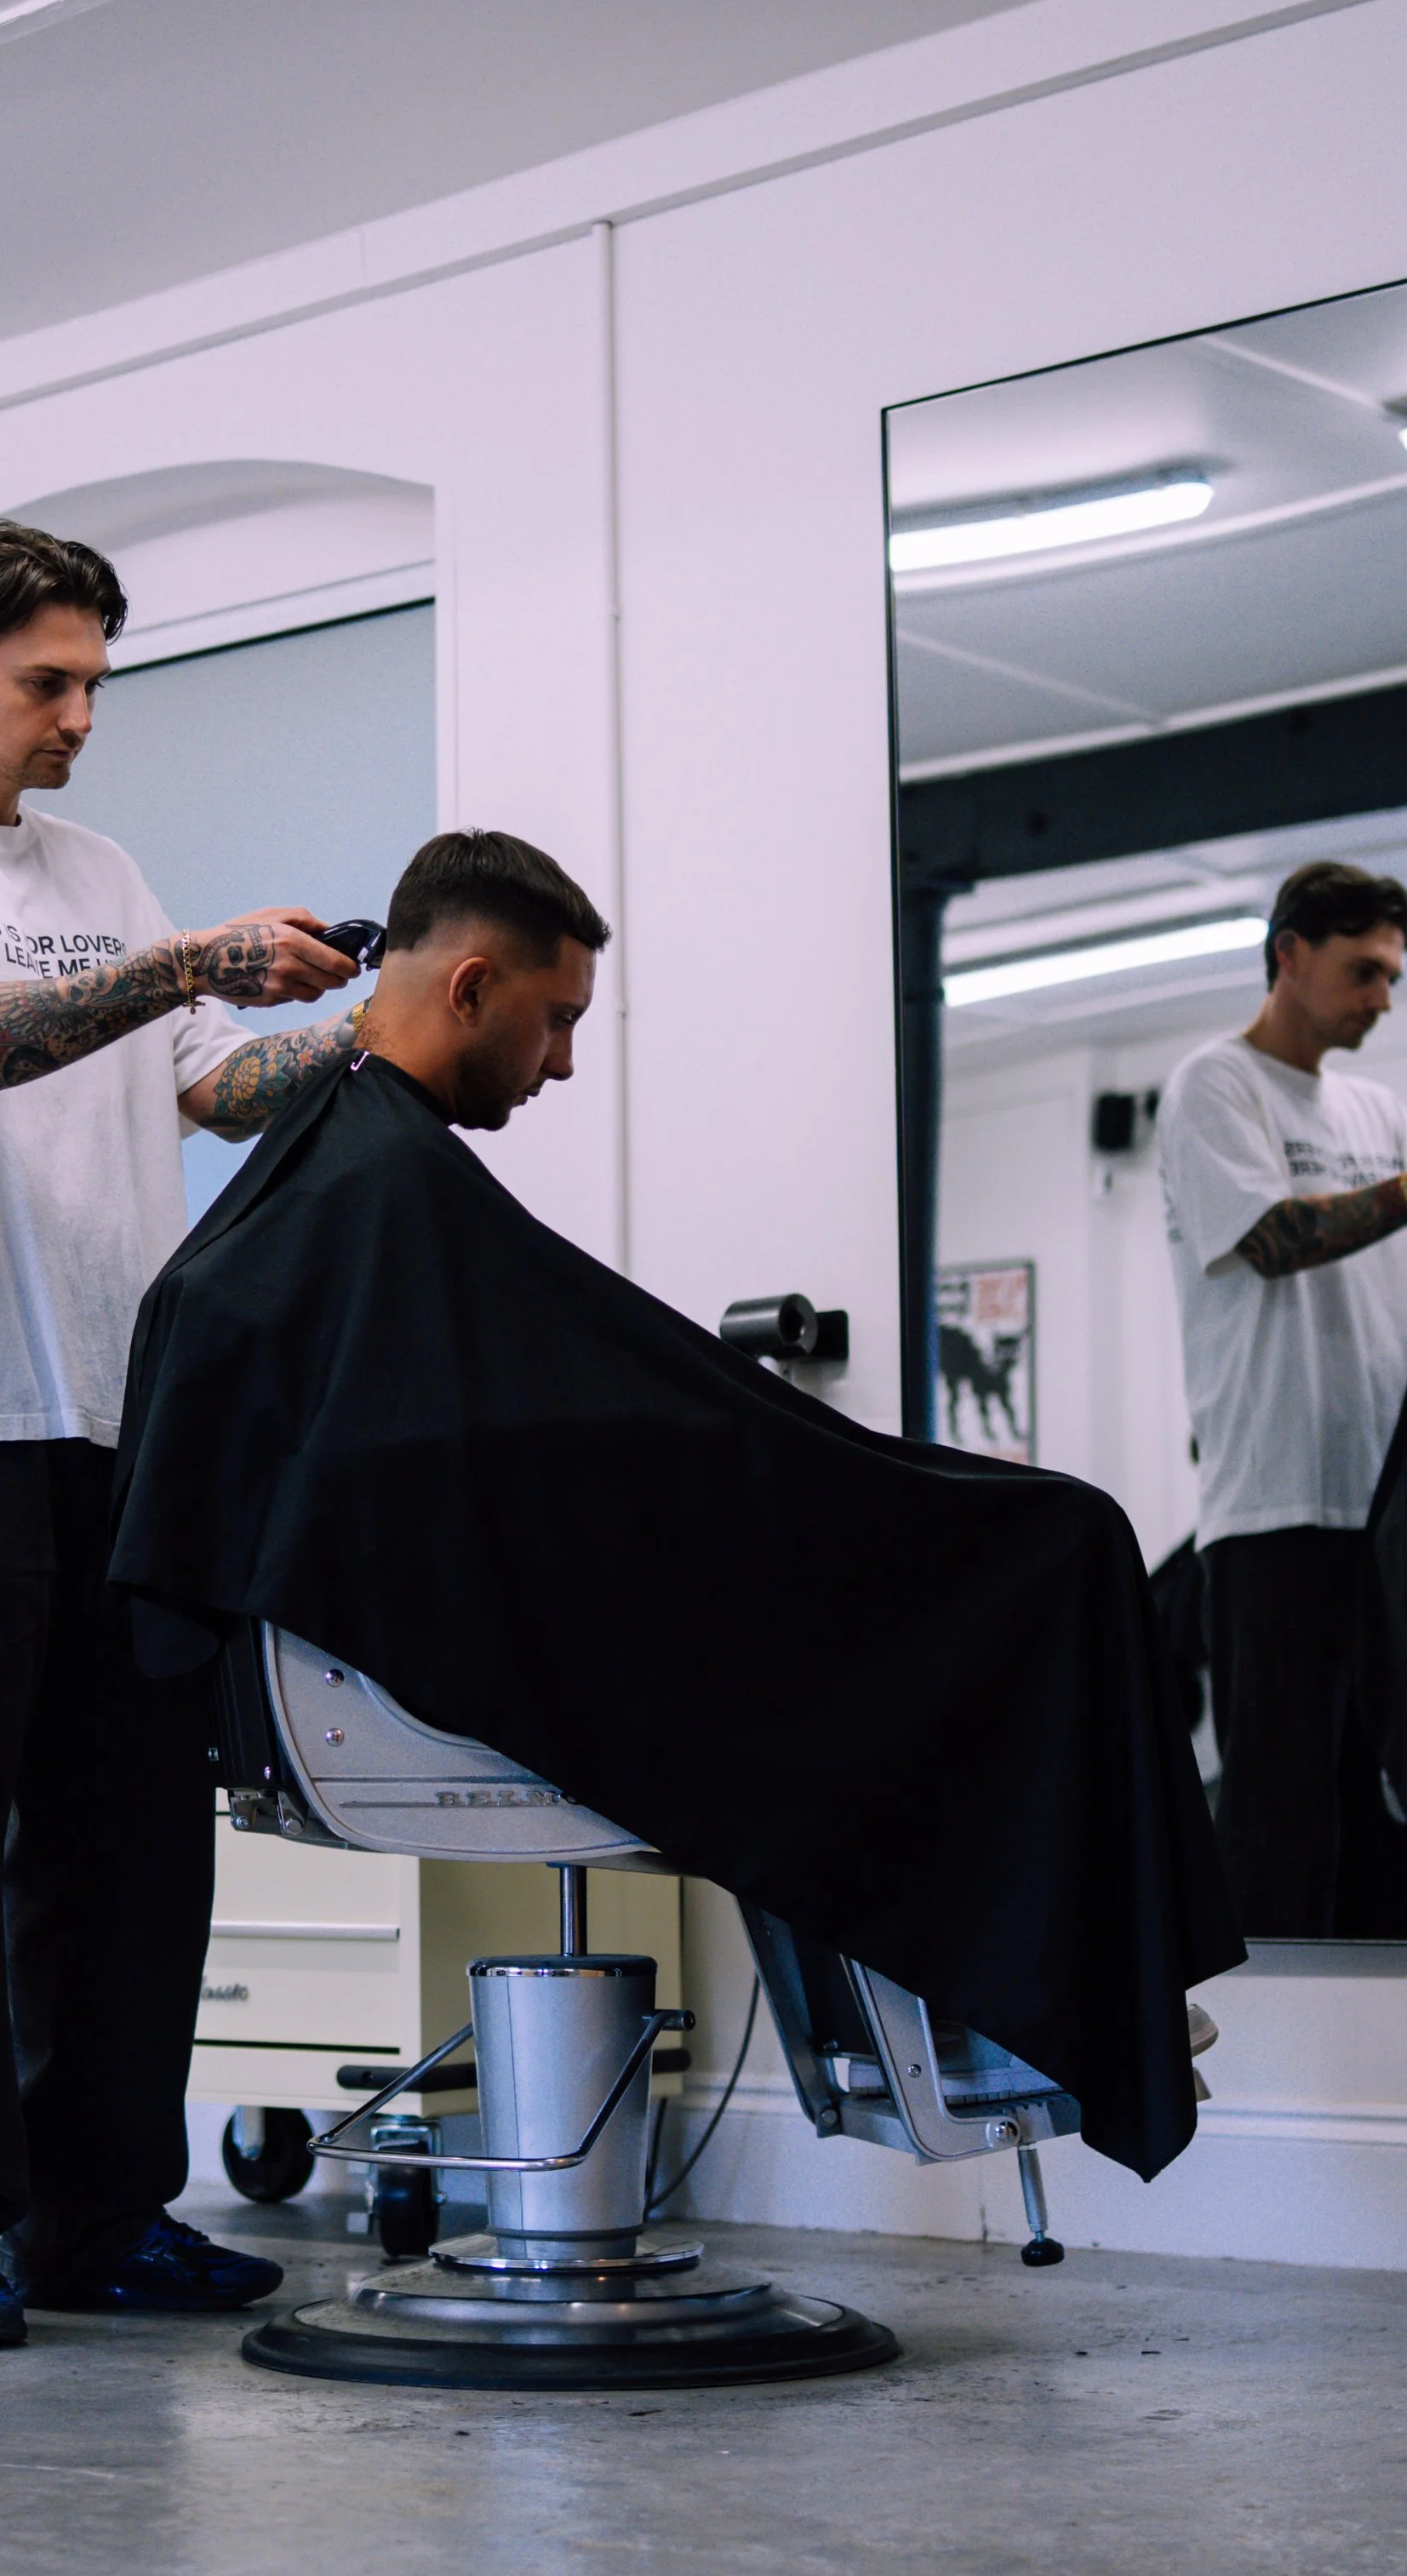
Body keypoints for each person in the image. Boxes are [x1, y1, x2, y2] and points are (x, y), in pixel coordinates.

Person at [111, 829, 1240, 2185]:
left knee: (995, 1551)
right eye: (558, 1020)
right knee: (1055, 1543)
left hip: (394, 1665)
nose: (567, 1062)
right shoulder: (377, 1183)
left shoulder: (352, 1180)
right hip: (425, 1679)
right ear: (470, 989)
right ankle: (1073, 1978)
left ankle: (1061, 1981)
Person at [0, 516, 379, 2350]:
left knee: (131, 1844)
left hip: (118, 1422)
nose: (77, 718)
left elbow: (202, 1089)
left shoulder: (105, 869)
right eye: (47, 682)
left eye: (97, 684)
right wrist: (182, 963)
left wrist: (365, 1025)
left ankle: (98, 2217)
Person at [1157, 858, 1407, 1936]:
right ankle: (1266, 2068)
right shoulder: (1214, 1085)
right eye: (1362, 972)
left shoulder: (1376, 1107)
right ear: (1288, 956)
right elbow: (1271, 1240)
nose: (1382, 1000)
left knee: (1374, 1805)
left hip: (1383, 1514)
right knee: (1277, 1814)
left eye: (1393, 977)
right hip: (1271, 1512)